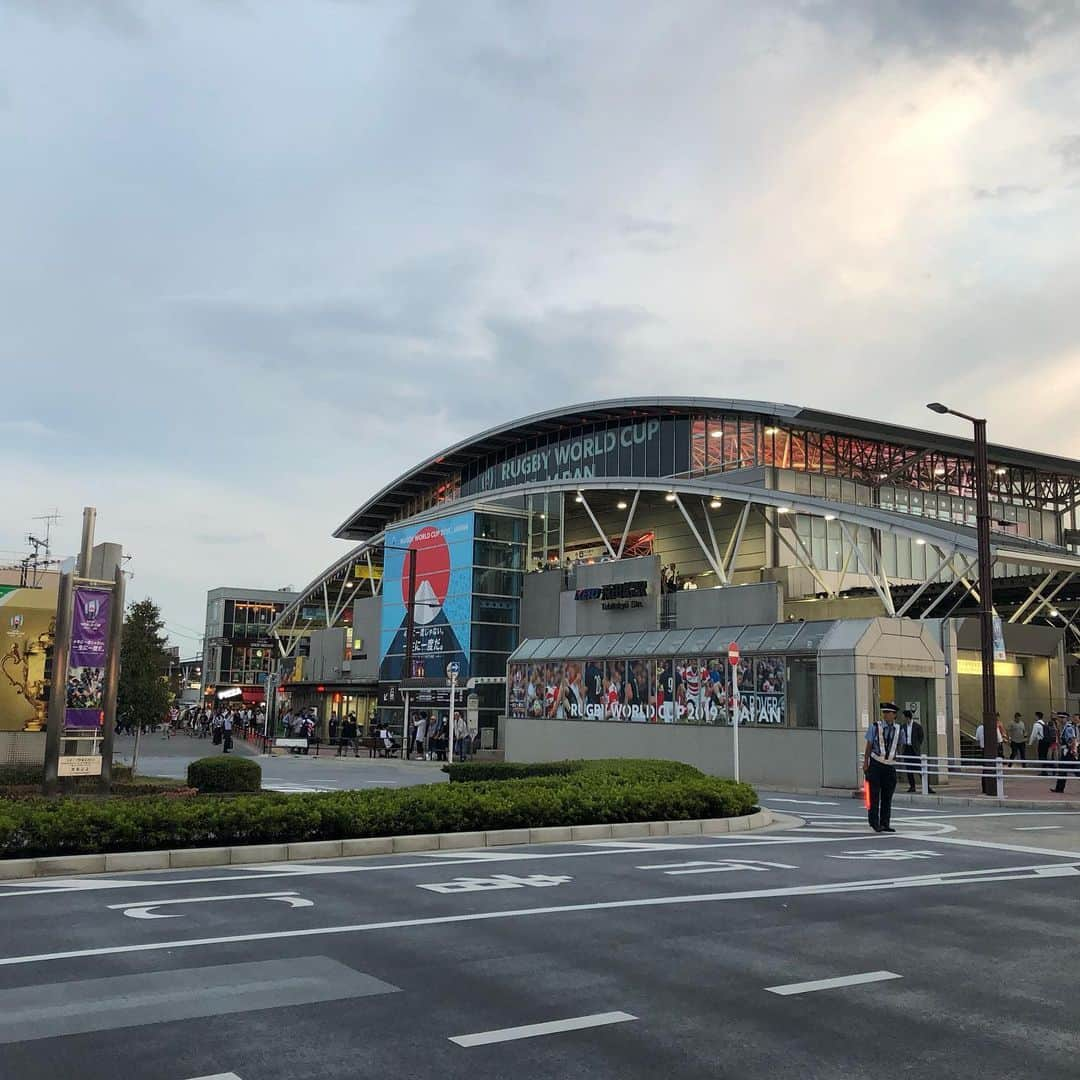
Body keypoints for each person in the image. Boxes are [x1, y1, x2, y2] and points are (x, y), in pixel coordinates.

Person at [864, 702, 902, 833]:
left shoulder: (898, 729)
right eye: (884, 713)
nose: (886, 715)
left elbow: (899, 745)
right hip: (876, 764)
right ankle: (874, 822)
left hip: (890, 766)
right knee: (874, 795)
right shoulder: (875, 727)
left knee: (887, 796)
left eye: (888, 713)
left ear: (894, 715)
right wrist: (866, 762)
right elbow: (869, 745)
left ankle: (885, 823)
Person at [900, 709, 933, 793]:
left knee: (919, 768)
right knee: (909, 769)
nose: (902, 718)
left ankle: (927, 787)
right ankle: (912, 786)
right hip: (906, 749)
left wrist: (917, 745)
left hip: (914, 749)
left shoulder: (917, 726)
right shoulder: (903, 726)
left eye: (903, 716)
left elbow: (921, 737)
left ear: (907, 717)